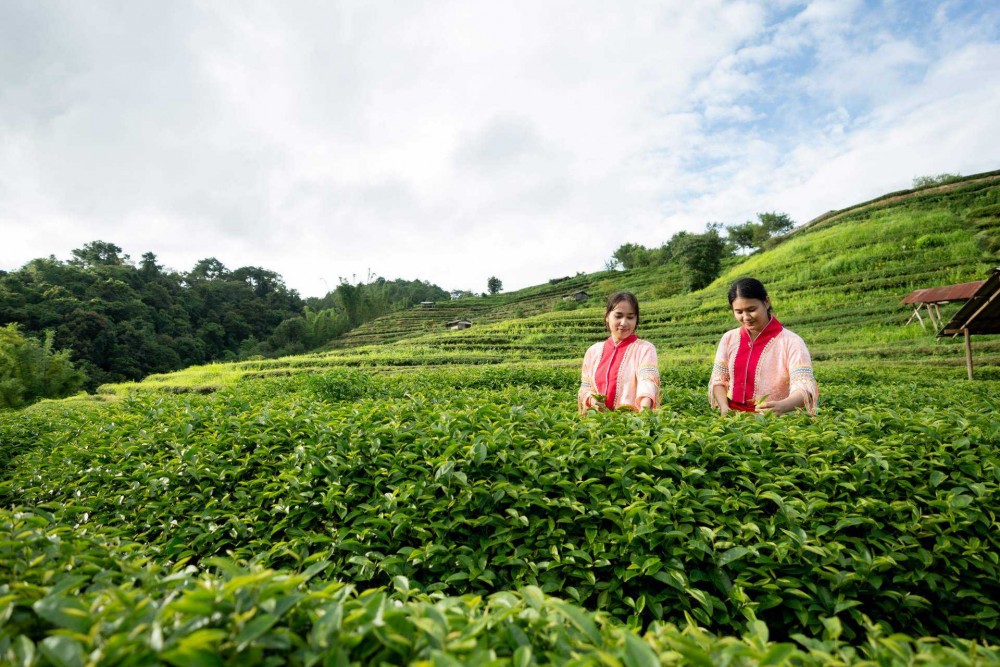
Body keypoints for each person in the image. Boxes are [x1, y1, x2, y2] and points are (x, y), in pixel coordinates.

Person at [709, 277, 818, 416]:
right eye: (739, 312)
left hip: (774, 420)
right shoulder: (729, 338)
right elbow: (719, 380)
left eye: (751, 309)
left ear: (766, 302)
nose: (746, 317)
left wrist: (783, 406)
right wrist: (724, 406)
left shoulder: (791, 341)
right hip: (733, 418)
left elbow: (805, 387)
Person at [578, 291, 660, 414]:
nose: (624, 322)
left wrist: (644, 415)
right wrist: (592, 400)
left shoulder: (645, 349)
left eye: (630, 317)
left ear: (636, 319)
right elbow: (586, 387)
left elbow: (647, 383)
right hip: (597, 422)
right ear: (607, 316)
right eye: (618, 316)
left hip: (631, 422)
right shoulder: (593, 352)